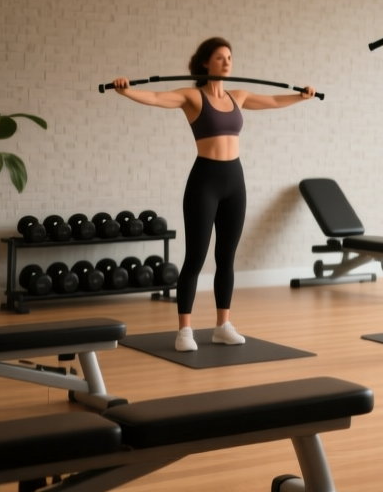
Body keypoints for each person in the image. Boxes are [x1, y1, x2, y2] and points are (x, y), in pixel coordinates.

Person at [109, 38, 316, 352]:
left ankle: (223, 325)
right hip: (204, 181)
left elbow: (273, 100)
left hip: (235, 181)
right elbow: (155, 97)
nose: (227, 62)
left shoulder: (238, 96)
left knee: (226, 259)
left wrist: (301, 97)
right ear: (205, 62)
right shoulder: (193, 96)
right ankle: (185, 330)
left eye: (229, 57)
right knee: (195, 258)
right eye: (220, 57)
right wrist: (126, 91)